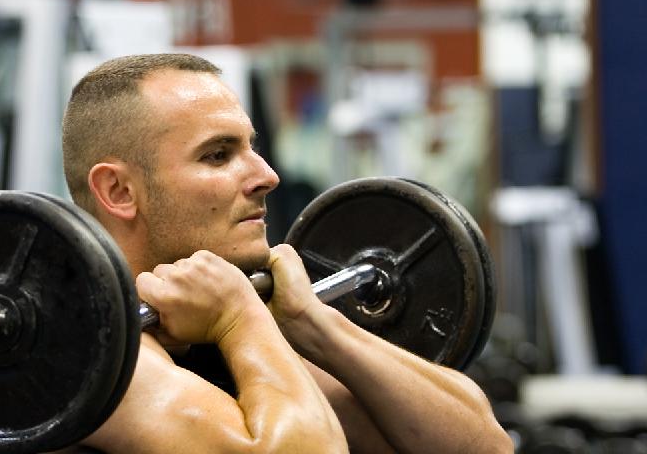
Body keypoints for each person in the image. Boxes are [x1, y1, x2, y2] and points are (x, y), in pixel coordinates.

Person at [60, 53, 512, 454]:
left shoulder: (232, 333)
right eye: (218, 155)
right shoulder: (87, 354)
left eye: (250, 147)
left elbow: (484, 445)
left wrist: (312, 322)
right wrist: (240, 316)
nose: (267, 175)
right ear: (118, 191)